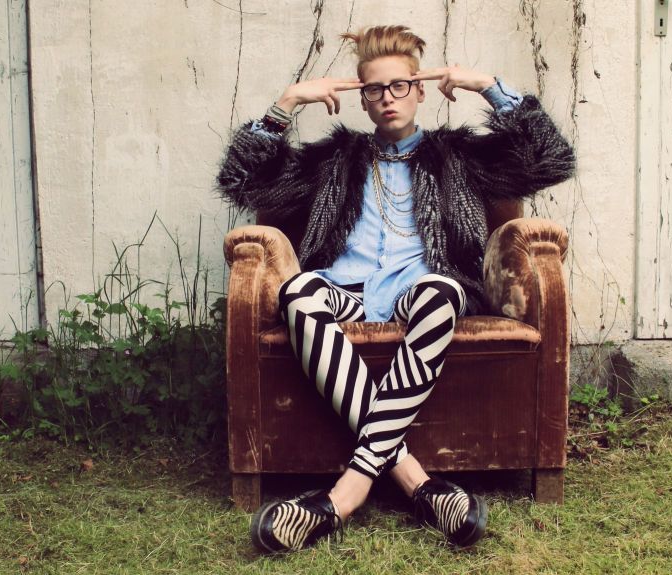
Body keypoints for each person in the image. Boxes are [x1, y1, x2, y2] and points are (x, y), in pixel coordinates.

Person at [216, 24, 575, 553]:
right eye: (375, 89)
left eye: (400, 86)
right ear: (362, 99)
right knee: (298, 293)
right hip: (348, 290)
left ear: (420, 90)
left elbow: (551, 161)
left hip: (421, 290)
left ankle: (343, 495)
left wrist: (489, 87)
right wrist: (286, 104)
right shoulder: (332, 161)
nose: (388, 97)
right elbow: (240, 181)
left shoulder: (458, 156)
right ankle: (417, 483)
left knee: (440, 293)